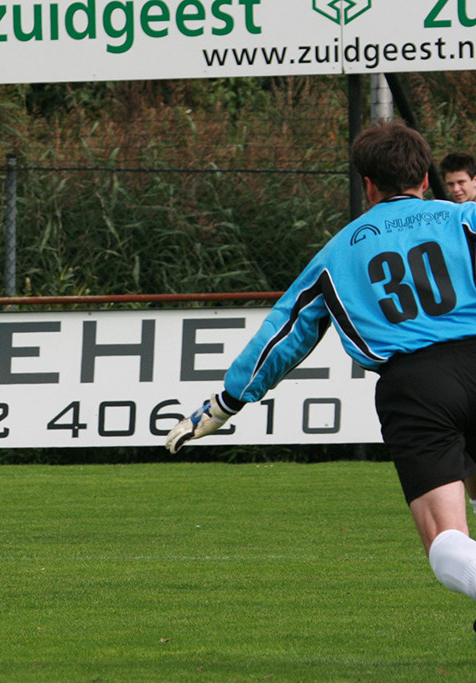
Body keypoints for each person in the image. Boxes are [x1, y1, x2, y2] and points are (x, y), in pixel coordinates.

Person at [165, 121, 476, 607]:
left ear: (368, 186)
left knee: (446, 543)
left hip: (416, 389)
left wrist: (226, 402)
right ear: (424, 177)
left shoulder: (339, 251)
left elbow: (284, 334)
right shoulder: (466, 219)